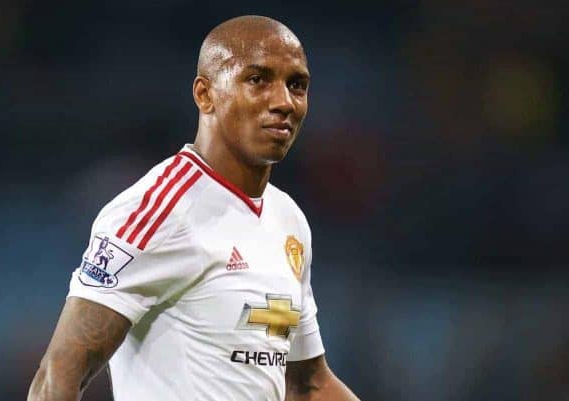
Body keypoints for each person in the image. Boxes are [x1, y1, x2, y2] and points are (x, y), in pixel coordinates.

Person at [27, 15, 360, 401]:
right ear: (205, 94)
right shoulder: (157, 212)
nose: (284, 101)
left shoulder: (289, 220)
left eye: (296, 85)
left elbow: (307, 385)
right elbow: (57, 377)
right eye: (257, 80)